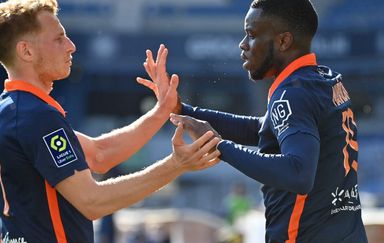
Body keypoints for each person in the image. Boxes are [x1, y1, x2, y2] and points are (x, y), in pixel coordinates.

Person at [0, 0, 221, 242]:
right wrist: (176, 165)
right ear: (27, 51)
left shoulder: (3, 111)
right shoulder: (37, 116)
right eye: (59, 39)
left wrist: (161, 112)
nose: (71, 46)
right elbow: (92, 202)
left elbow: (98, 155)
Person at [137, 0, 368, 242]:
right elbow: (266, 130)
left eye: (251, 34)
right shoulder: (326, 80)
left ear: (283, 41)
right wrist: (184, 110)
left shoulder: (293, 93)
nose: (243, 44)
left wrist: (219, 146)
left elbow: (298, 174)